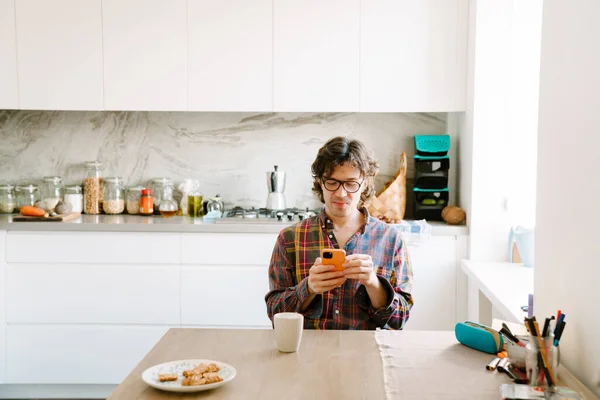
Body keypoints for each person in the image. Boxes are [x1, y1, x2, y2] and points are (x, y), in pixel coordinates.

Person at [265, 136, 413, 330]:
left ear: (365, 183)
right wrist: (308, 288)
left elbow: (400, 319)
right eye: (332, 182)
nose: (341, 194)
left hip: (368, 352)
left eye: (351, 184)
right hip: (309, 352)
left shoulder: (391, 240)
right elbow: (275, 314)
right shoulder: (290, 238)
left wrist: (373, 283)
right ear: (319, 182)